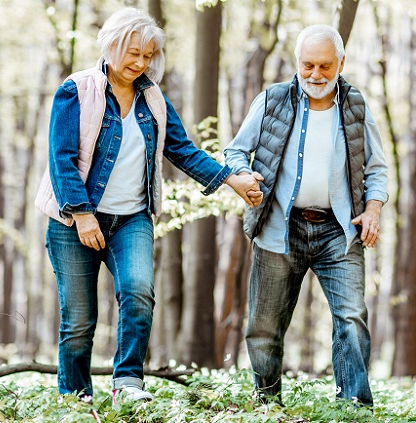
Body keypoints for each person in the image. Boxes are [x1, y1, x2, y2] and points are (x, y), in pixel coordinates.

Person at [34, 7, 263, 405]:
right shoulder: (77, 90)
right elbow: (61, 159)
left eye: (148, 56)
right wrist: (83, 214)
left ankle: (127, 383)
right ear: (111, 46)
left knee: (138, 292)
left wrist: (233, 179)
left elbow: (184, 150)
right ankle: (74, 399)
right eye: (133, 53)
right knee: (79, 320)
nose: (140, 63)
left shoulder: (152, 98)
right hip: (74, 222)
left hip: (131, 219)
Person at [224, 24, 389, 407]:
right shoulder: (272, 100)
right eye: (308, 65)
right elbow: (235, 152)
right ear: (297, 63)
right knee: (264, 327)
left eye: (325, 66)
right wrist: (243, 176)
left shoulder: (356, 106)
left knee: (351, 319)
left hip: (339, 230)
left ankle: (354, 408)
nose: (316, 75)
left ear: (341, 63)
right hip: (281, 226)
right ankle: (267, 405)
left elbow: (377, 169)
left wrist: (373, 210)